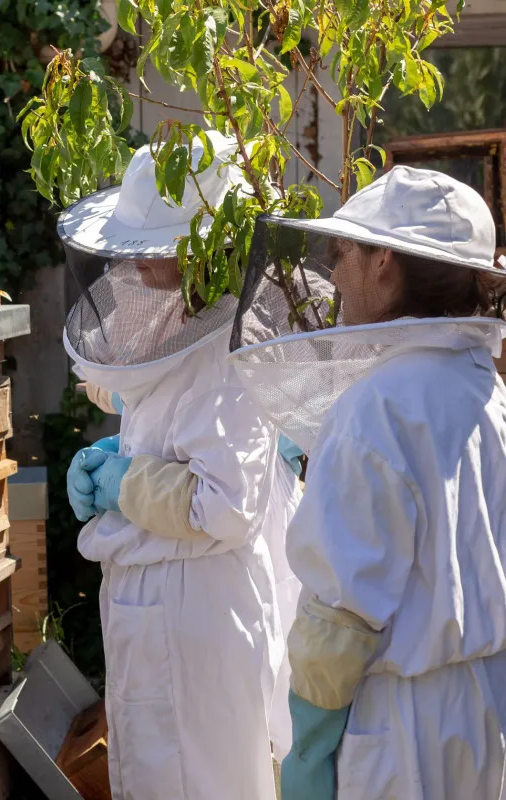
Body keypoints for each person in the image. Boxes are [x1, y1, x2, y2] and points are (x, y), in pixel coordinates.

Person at [230, 165, 506, 800]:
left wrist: (311, 746)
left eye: (343, 252)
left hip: (400, 734)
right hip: (484, 719)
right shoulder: (487, 393)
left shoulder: (373, 407)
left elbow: (340, 616)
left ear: (384, 261)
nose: (335, 274)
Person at [61, 132, 300, 800]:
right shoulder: (180, 332)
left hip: (200, 609)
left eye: (152, 252)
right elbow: (179, 443)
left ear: (208, 250)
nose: (133, 269)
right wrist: (127, 462)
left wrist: (124, 483)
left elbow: (225, 503)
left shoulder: (229, 348)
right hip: (160, 601)